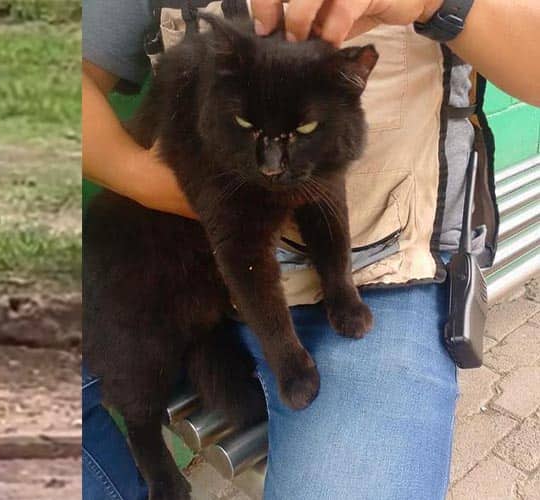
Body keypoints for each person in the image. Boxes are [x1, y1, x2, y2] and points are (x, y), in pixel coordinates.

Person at [81, 0, 540, 499]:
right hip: (183, 253)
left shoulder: (322, 132)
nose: (274, 167)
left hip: (379, 275)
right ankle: (146, 444)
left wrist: (437, 5)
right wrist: (140, 178)